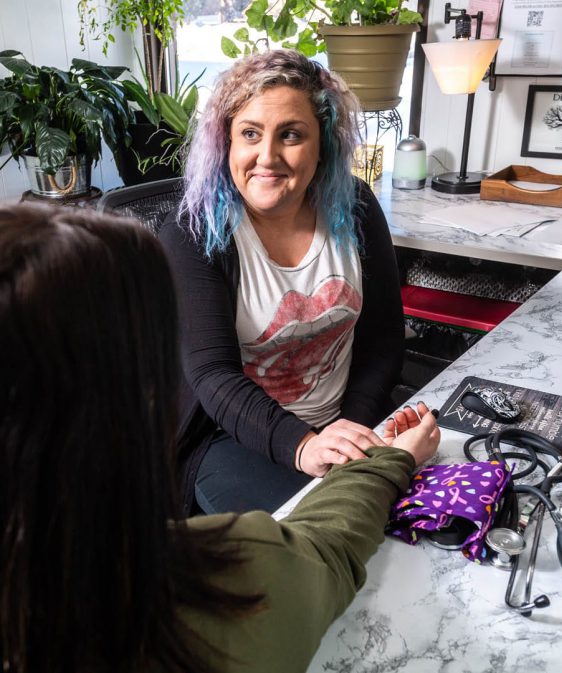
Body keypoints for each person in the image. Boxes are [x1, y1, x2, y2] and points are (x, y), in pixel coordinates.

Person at [0, 205, 439, 673]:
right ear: (135, 408)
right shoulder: (238, 588)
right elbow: (323, 544)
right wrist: (384, 464)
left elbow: (377, 340)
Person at [160, 49, 408, 515]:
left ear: (323, 146)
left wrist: (345, 435)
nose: (266, 157)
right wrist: (304, 446)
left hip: (346, 422)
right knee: (329, 546)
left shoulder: (354, 206)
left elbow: (383, 341)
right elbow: (212, 376)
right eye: (249, 134)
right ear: (226, 143)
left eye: (291, 134)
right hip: (237, 437)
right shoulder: (193, 232)